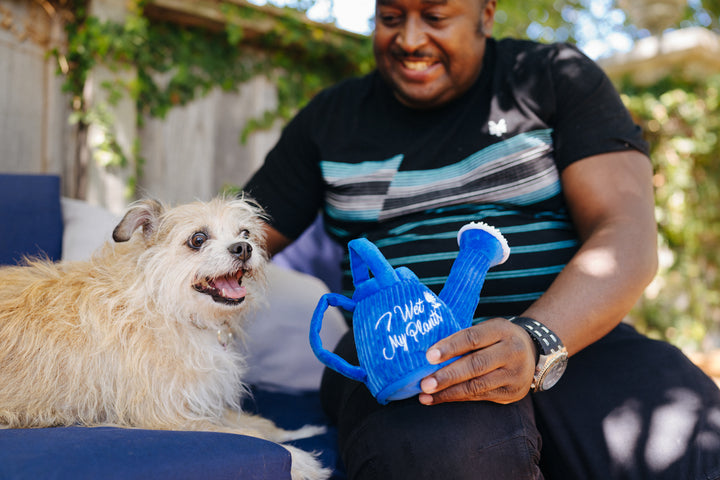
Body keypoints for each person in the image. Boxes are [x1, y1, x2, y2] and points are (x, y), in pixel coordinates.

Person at [244, 0, 720, 478]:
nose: (409, 40)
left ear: (486, 15)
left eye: (435, 17)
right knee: (444, 456)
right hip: (399, 348)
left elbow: (626, 235)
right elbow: (235, 238)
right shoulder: (330, 119)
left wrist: (535, 340)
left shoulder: (554, 77)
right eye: (390, 18)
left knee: (691, 439)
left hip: (567, 335)